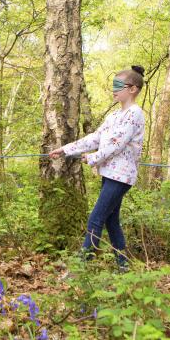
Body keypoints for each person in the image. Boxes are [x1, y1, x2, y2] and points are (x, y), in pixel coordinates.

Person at [49, 66, 145, 269]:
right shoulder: (114, 116)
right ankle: (124, 266)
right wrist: (65, 150)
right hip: (109, 174)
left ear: (133, 89)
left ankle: (82, 267)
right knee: (111, 221)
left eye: (119, 86)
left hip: (121, 177)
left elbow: (117, 143)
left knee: (96, 218)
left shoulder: (135, 114)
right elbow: (96, 138)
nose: (114, 90)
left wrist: (93, 158)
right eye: (114, 85)